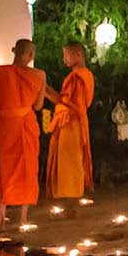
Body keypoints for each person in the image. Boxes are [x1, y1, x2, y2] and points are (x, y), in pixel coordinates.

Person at [0, 39, 46, 228]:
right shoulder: (38, 75)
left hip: (2, 127)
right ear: (31, 56)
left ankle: (0, 218)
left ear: (13, 51)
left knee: (2, 169)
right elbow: (38, 105)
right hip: (24, 125)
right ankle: (22, 218)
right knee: (26, 169)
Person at [43, 41, 95, 200]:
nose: (64, 59)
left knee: (70, 162)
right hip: (67, 121)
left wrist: (46, 90)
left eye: (66, 55)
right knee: (67, 161)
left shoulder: (79, 77)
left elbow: (72, 104)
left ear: (78, 55)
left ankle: (71, 197)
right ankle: (67, 196)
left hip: (71, 123)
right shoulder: (78, 75)